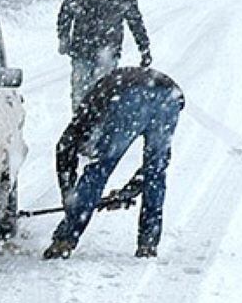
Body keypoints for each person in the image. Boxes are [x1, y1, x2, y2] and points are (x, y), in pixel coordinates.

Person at [43, 65, 185, 259]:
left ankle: (65, 239)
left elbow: (64, 149)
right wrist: (130, 190)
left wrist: (70, 199)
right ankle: (148, 243)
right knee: (156, 170)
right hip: (170, 96)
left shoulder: (88, 111)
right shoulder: (101, 96)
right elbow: (154, 167)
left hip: (132, 96)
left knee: (100, 168)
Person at [57, 0, 151, 108]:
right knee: (80, 93)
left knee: (103, 92)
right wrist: (63, 37)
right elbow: (65, 13)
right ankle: (79, 119)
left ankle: (100, 120)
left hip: (108, 51)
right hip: (81, 50)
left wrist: (144, 48)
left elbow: (135, 22)